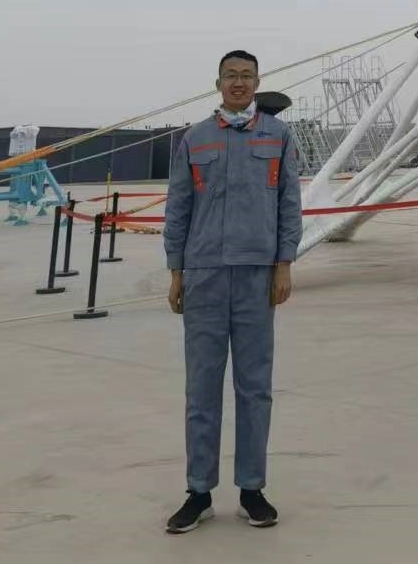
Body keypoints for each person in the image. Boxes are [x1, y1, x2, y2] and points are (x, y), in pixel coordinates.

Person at [162, 49, 303, 534]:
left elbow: (289, 203)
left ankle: (251, 489)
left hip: (256, 277)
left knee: (255, 387)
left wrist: (284, 265)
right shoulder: (195, 138)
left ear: (258, 82)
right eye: (231, 76)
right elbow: (178, 206)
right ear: (217, 83)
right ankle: (198, 491)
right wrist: (176, 271)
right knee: (201, 388)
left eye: (247, 76)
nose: (239, 82)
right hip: (204, 275)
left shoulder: (278, 136)